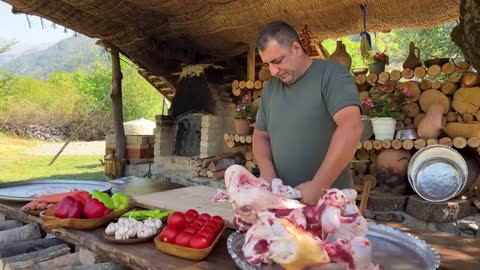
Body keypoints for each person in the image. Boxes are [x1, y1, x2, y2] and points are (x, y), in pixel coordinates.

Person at [253, 21, 362, 205]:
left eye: (277, 61)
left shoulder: (331, 75)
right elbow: (260, 135)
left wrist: (318, 186)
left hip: (329, 202)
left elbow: (351, 127)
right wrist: (267, 174)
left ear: (296, 48)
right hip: (282, 202)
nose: (273, 71)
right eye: (267, 64)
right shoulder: (271, 88)